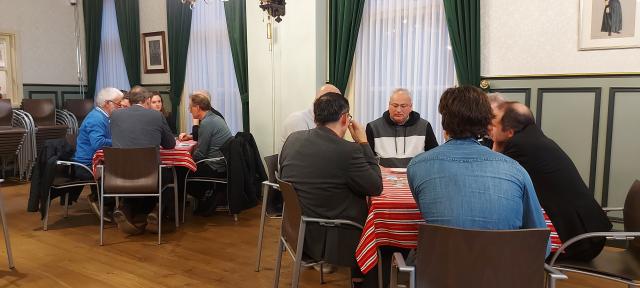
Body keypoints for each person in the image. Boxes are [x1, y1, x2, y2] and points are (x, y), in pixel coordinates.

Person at [407, 86, 549, 254]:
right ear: (486, 122)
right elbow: (543, 246)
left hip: (441, 275)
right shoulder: (516, 170)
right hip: (505, 276)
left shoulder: (417, 166)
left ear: (444, 121)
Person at [279, 92, 382, 287]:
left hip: (296, 230)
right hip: (335, 234)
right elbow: (376, 187)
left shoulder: (293, 139)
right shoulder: (348, 151)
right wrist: (363, 142)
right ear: (344, 118)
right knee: (380, 235)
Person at [491, 101, 612, 261]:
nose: (488, 129)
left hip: (578, 241)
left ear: (510, 132)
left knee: (503, 247)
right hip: (588, 234)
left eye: (493, 125)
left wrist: (495, 146)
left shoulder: (520, 146)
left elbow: (493, 176)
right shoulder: (533, 138)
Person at [110, 85, 176, 235]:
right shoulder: (156, 116)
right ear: (147, 100)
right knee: (169, 175)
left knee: (131, 176)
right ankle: (157, 212)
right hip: (150, 177)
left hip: (119, 177)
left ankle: (123, 209)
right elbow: (170, 144)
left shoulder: (115, 115)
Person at [72, 87, 123, 220]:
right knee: (121, 171)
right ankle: (104, 203)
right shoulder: (96, 119)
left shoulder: (103, 116)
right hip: (86, 165)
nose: (120, 107)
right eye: (118, 104)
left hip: (97, 161)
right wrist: (120, 140)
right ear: (107, 103)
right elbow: (98, 143)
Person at [186, 91, 233, 216]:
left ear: (197, 107)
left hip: (215, 165)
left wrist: (186, 160)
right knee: (185, 170)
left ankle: (210, 197)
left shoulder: (207, 123)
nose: (189, 110)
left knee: (181, 175)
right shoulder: (214, 118)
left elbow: (201, 154)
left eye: (190, 107)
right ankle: (208, 197)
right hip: (223, 163)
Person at [365, 88, 438, 168]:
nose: (398, 110)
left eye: (403, 106)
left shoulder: (424, 126)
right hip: (383, 177)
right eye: (395, 105)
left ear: (411, 107)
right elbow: (367, 160)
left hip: (415, 177)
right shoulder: (373, 127)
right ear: (389, 106)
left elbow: (434, 157)